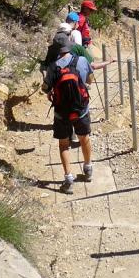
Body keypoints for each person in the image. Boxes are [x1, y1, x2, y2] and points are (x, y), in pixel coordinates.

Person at [41, 33, 112, 192]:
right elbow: (90, 79)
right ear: (69, 45)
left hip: (61, 112)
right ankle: (88, 169)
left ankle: (68, 179)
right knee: (84, 138)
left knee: (64, 144)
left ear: (56, 49)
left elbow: (45, 88)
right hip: (81, 110)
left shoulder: (53, 66)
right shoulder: (81, 60)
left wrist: (49, 91)